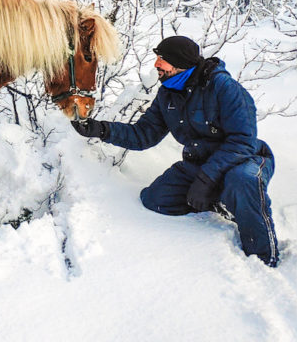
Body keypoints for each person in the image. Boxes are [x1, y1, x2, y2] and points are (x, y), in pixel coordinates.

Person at [71, 36, 279, 267]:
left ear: (181, 64)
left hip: (245, 159)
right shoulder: (167, 94)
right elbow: (144, 134)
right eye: (157, 58)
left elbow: (243, 141)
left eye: (162, 60)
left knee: (241, 182)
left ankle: (264, 257)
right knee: (155, 199)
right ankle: (220, 201)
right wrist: (101, 130)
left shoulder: (224, 88)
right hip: (202, 163)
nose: (156, 65)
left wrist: (207, 178)